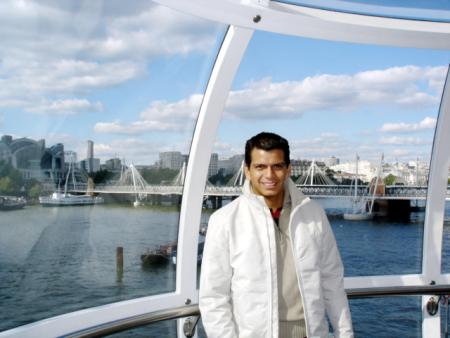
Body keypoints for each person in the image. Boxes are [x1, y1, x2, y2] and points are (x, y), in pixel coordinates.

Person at [199, 132, 353, 338]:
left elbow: (332, 281)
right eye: (260, 167)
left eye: (277, 166)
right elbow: (214, 297)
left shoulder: (314, 214)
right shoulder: (224, 220)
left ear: (288, 169)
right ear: (247, 170)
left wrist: (345, 333)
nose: (269, 175)